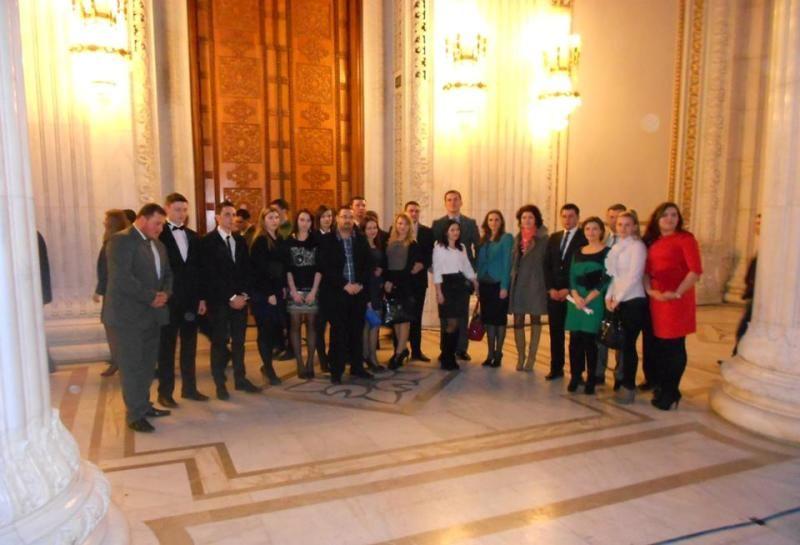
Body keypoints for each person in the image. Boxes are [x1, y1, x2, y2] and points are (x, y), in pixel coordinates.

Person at [102, 203, 172, 433]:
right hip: (128, 317)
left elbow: (168, 274)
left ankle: (143, 405)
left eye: (162, 224)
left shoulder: (158, 245)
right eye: (157, 223)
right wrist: (151, 297)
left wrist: (165, 294)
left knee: (147, 366)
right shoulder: (121, 241)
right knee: (132, 366)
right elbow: (122, 278)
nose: (160, 228)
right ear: (142, 219)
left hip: (152, 315)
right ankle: (134, 415)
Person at [643, 202, 703, 410]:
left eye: (674, 215)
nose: (670, 218)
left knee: (674, 347)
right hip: (658, 300)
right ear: (657, 219)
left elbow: (695, 271)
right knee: (660, 347)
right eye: (665, 215)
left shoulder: (686, 239)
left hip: (677, 301)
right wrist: (651, 291)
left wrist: (677, 293)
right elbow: (646, 272)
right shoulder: (654, 242)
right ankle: (664, 386)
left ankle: (670, 391)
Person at [199, 200, 262, 400]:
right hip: (219, 301)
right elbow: (210, 275)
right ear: (217, 217)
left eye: (233, 214)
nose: (231, 218)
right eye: (227, 214)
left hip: (240, 301)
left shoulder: (240, 240)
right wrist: (231, 297)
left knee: (239, 342)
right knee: (219, 342)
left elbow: (247, 270)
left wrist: (244, 295)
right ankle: (220, 383)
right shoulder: (207, 242)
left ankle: (240, 378)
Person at [156, 193, 208, 407]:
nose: (182, 214)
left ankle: (189, 388)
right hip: (169, 300)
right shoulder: (159, 236)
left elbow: (200, 270)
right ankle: (165, 393)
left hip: (191, 301)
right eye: (177, 209)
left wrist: (202, 298)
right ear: (167, 209)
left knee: (189, 345)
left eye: (185, 210)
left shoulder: (194, 236)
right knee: (167, 348)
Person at [318, 205, 374, 384]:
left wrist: (359, 284)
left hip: (358, 293)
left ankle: (357, 367)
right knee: (338, 333)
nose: (347, 220)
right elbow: (325, 267)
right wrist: (344, 284)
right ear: (337, 219)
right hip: (337, 294)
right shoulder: (327, 240)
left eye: (350, 217)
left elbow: (368, 265)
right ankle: (337, 370)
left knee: (356, 332)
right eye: (344, 217)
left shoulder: (361, 239)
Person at [604, 210, 647, 404]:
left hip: (633, 300)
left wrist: (618, 299)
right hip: (618, 300)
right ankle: (620, 382)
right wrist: (609, 296)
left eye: (627, 224)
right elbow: (614, 276)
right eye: (620, 224)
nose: (623, 228)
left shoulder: (637, 247)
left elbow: (634, 276)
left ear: (635, 226)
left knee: (628, 346)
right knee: (621, 343)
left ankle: (628, 386)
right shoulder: (618, 247)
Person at [432, 190, 479, 361]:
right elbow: (434, 254)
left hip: (462, 279)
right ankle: (446, 350)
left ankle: (461, 348)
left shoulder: (470, 223)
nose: (453, 202)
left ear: (461, 202)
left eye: (456, 199)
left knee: (462, 315)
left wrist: (474, 275)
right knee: (447, 318)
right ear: (445, 203)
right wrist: (437, 284)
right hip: (445, 280)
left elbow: (477, 247)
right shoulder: (438, 224)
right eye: (449, 200)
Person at [565, 217, 610, 395]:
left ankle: (592, 378)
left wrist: (588, 298)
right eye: (587, 229)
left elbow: (606, 278)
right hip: (576, 301)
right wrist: (576, 296)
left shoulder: (607, 252)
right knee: (574, 341)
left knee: (590, 342)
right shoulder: (578, 251)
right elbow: (571, 276)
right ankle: (575, 376)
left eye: (595, 229)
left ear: (601, 231)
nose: (591, 232)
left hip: (594, 300)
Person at [543, 203, 587, 380]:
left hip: (574, 294)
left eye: (571, 216)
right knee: (556, 333)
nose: (567, 220)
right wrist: (550, 288)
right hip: (554, 294)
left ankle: (577, 372)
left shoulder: (584, 238)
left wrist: (568, 289)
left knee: (576, 335)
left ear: (577, 218)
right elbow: (546, 265)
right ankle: (556, 368)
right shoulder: (554, 237)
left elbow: (582, 268)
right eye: (564, 216)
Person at [509, 205, 549, 372]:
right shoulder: (517, 238)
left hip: (536, 284)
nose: (527, 220)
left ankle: (531, 358)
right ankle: (521, 356)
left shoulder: (544, 239)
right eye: (524, 217)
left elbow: (547, 263)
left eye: (530, 217)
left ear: (536, 219)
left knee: (535, 319)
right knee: (518, 319)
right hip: (519, 284)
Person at [249, 207, 286, 386]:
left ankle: (268, 365)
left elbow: (282, 266)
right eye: (270, 217)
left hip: (276, 291)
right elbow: (259, 270)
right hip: (263, 293)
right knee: (265, 331)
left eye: (276, 217)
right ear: (263, 220)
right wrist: (269, 293)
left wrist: (282, 287)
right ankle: (268, 368)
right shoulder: (260, 241)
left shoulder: (279, 239)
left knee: (273, 330)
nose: (274, 220)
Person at [384, 213, 424, 369]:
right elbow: (385, 264)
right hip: (391, 284)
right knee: (396, 318)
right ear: (396, 224)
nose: (402, 226)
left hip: (406, 284)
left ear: (409, 227)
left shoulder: (412, 244)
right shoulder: (389, 242)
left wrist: (393, 281)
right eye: (400, 223)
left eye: (406, 224)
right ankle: (402, 349)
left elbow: (409, 268)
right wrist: (387, 280)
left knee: (404, 319)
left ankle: (399, 352)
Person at [285, 209, 322, 379]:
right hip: (295, 289)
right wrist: (293, 291)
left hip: (312, 289)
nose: (304, 223)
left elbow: (320, 268)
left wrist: (314, 291)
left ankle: (310, 362)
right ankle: (299, 362)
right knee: (295, 325)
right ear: (297, 221)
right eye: (301, 219)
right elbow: (287, 269)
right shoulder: (289, 241)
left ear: (311, 223)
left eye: (308, 220)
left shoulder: (316, 241)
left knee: (312, 326)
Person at [94, 209, 130, 377]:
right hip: (113, 291)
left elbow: (109, 270)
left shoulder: (116, 241)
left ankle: (119, 361)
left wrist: (100, 289)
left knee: (114, 329)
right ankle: (118, 361)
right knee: (114, 329)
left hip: (115, 293)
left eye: (107, 221)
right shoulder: (116, 240)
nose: (104, 223)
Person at [476, 210, 514, 368]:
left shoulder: (506, 238)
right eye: (490, 219)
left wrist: (505, 286)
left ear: (501, 222)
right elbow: (479, 263)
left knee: (499, 321)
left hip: (499, 284)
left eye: (497, 219)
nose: (493, 222)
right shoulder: (483, 239)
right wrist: (477, 284)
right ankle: (490, 353)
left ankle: (498, 353)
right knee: (488, 321)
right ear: (487, 222)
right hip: (484, 284)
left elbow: (507, 263)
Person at [596, 203, 627, 386]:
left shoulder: (630, 243)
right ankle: (599, 373)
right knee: (602, 332)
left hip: (622, 296)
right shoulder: (605, 239)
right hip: (603, 294)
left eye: (618, 217)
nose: (614, 221)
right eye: (611, 217)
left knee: (620, 335)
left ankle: (620, 375)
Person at [404, 201, 434, 362]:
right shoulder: (398, 229)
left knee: (416, 316)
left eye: (416, 211)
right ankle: (400, 350)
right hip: (403, 280)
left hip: (419, 280)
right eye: (411, 211)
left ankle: (416, 350)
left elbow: (430, 254)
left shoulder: (427, 232)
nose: (414, 213)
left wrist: (422, 265)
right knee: (401, 316)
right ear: (405, 212)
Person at [362, 215, 386, 371]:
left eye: (374, 228)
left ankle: (369, 356)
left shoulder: (377, 246)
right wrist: (367, 298)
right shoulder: (362, 248)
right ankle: (370, 358)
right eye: (369, 228)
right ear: (364, 230)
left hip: (377, 288)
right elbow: (363, 271)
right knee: (370, 325)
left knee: (373, 324)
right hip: (367, 289)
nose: (372, 231)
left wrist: (381, 271)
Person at [314, 205, 334, 371]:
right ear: (318, 219)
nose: (327, 219)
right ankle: (322, 359)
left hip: (335, 286)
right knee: (319, 326)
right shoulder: (314, 237)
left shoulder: (336, 235)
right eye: (324, 217)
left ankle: (334, 355)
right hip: (319, 287)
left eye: (329, 216)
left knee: (336, 324)